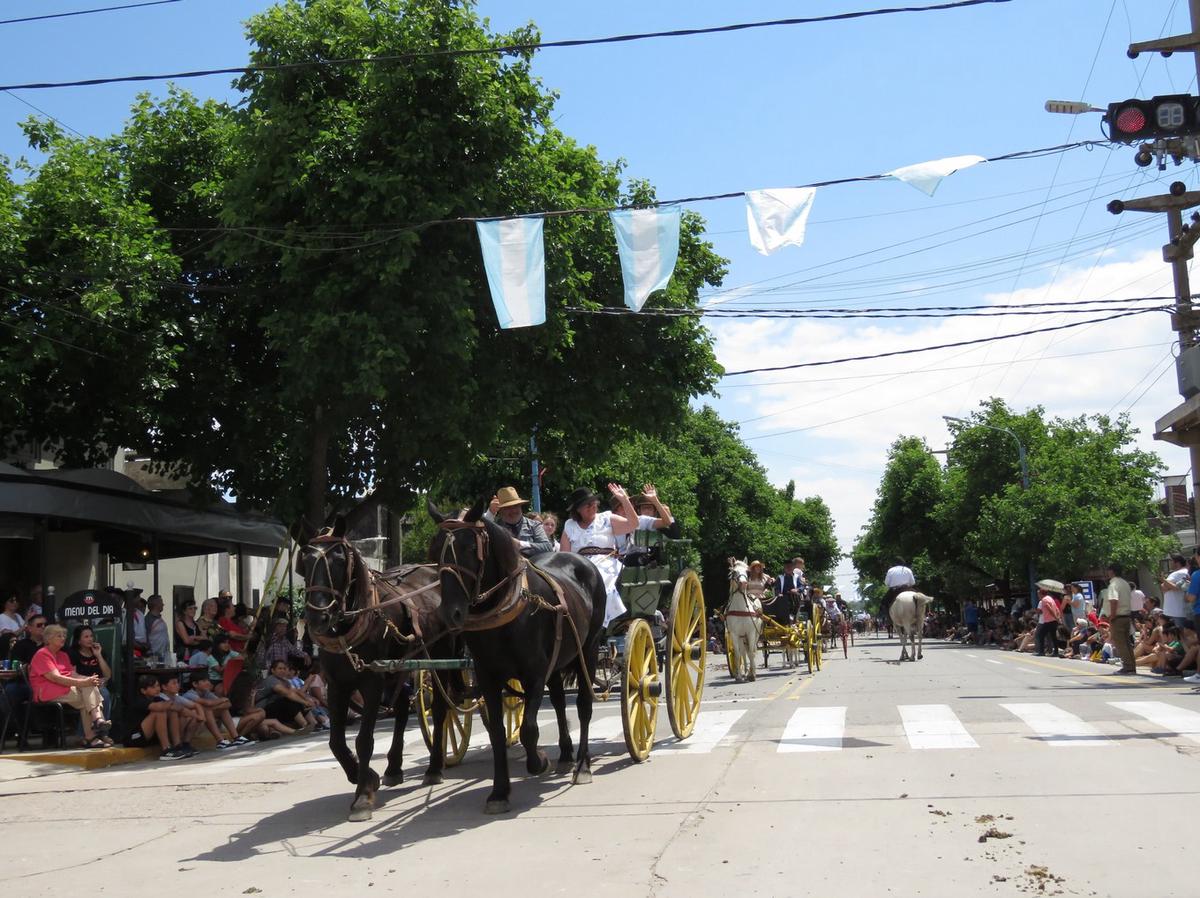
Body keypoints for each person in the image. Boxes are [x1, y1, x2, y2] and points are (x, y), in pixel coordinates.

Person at [560, 484, 639, 627]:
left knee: (597, 580)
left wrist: (624, 500)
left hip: (605, 562)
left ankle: (598, 622)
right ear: (578, 509)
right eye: (587, 505)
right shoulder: (569, 525)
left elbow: (633, 524)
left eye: (593, 503)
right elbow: (564, 555)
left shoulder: (607, 518)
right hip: (577, 563)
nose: (592, 506)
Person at [29, 624, 110, 748]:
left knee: (89, 688)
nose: (63, 638)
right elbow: (56, 678)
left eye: (64, 636)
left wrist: (88, 680)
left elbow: (72, 673)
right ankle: (97, 723)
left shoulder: (63, 655)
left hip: (64, 688)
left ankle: (93, 730)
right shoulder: (42, 654)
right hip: (47, 690)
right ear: (49, 638)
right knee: (87, 695)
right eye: (59, 636)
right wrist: (82, 682)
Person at [124, 675, 191, 759]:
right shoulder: (139, 700)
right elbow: (159, 707)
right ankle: (166, 750)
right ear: (143, 691)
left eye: (158, 686)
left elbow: (179, 708)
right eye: (153, 687)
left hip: (149, 737)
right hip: (135, 738)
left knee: (173, 712)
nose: (157, 689)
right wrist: (170, 703)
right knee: (159, 712)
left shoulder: (157, 698)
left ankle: (177, 746)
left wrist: (172, 705)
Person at [181, 675, 253, 746]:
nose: (208, 683)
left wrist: (214, 705)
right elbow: (208, 703)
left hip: (203, 719)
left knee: (222, 710)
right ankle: (220, 741)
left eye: (208, 680)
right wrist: (221, 700)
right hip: (190, 723)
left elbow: (228, 704)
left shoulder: (207, 693)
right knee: (208, 711)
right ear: (195, 684)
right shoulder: (190, 694)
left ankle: (236, 737)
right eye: (204, 681)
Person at [485, 486, 554, 556]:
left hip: (531, 565)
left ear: (520, 506)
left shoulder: (534, 525)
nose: (513, 510)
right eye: (508, 507)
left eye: (516, 506)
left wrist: (520, 544)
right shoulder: (495, 529)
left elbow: (547, 548)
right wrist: (490, 513)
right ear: (500, 510)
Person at [255, 658, 315, 729]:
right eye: (280, 668)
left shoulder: (285, 681)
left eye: (284, 668)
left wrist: (307, 700)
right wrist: (305, 702)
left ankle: (313, 723)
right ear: (273, 670)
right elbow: (288, 694)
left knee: (298, 700)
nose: (282, 670)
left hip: (275, 708)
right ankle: (304, 725)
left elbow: (295, 691)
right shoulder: (271, 680)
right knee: (289, 700)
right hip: (262, 710)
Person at [68, 625, 113, 722]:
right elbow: (72, 675)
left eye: (91, 636)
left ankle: (100, 731)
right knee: (103, 694)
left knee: (104, 693)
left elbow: (108, 675)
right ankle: (99, 730)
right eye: (86, 637)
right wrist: (89, 681)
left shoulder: (98, 652)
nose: (90, 639)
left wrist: (99, 655)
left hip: (99, 684)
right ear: (79, 640)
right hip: (82, 685)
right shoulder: (73, 653)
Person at [1106, 563, 1137, 674]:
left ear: (1112, 571)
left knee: (1120, 643)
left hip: (1118, 616)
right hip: (1126, 616)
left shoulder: (1113, 584)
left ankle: (1127, 667)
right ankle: (1131, 666)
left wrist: (1112, 615)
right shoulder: (1125, 583)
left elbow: (1113, 600)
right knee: (1127, 642)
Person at [1034, 581, 1065, 656]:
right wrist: (1057, 617)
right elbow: (1056, 608)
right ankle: (1056, 652)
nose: (1038, 596)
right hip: (1053, 620)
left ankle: (1041, 652)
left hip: (1048, 620)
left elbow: (1050, 609)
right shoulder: (1050, 598)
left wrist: (1056, 617)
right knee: (1053, 636)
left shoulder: (1044, 600)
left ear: (1041, 594)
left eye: (1038, 594)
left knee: (1041, 635)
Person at [174, 598, 202, 662]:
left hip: (196, 655)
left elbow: (205, 638)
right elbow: (187, 641)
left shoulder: (197, 624)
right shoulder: (180, 623)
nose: (193, 610)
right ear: (184, 611)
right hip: (184, 655)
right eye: (190, 608)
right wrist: (199, 641)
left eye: (195, 608)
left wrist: (193, 637)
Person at [146, 594, 171, 662]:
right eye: (161, 602)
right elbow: (145, 637)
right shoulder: (148, 620)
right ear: (156, 604)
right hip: (154, 656)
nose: (163, 604)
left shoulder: (160, 619)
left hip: (163, 656)